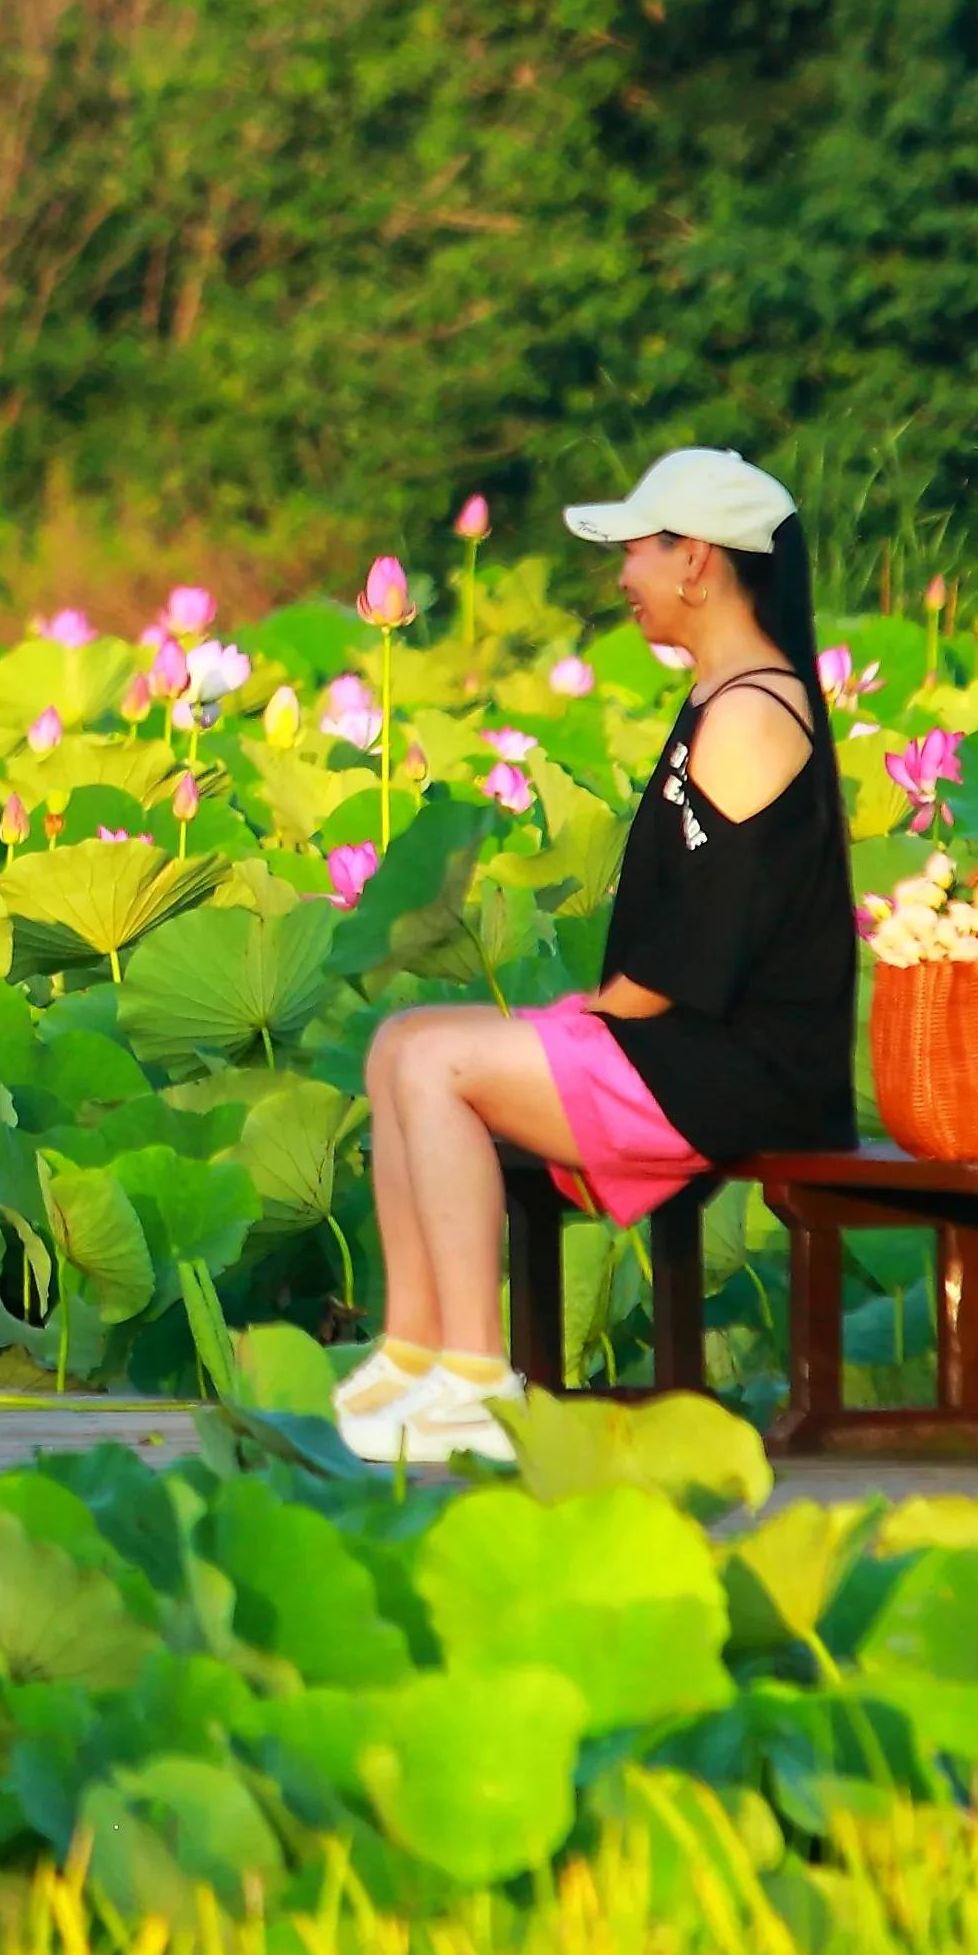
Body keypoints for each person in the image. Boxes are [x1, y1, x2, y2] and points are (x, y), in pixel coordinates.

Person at [341, 446, 854, 1466]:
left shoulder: (753, 713)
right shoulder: (728, 692)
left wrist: (600, 1014)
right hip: (694, 1045)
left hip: (746, 1068)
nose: (623, 576)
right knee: (401, 1040)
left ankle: (480, 1378)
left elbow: (710, 936)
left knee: (438, 1061)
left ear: (697, 561)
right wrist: (601, 1010)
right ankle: (413, 1351)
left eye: (636, 551)